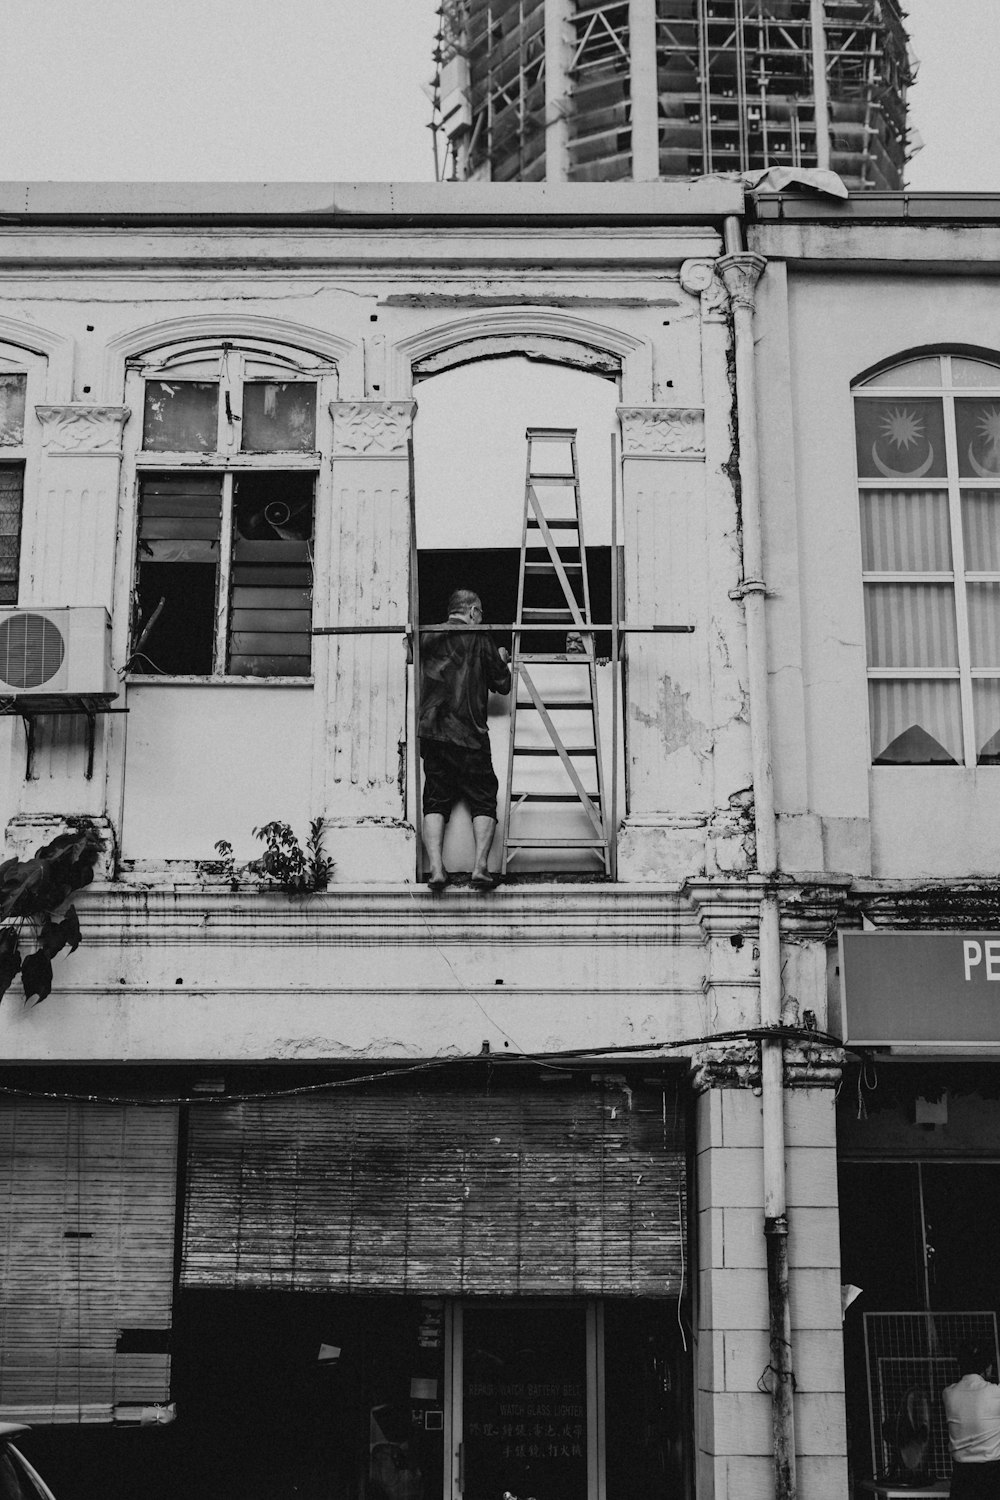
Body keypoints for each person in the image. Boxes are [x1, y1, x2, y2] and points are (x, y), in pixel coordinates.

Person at [418, 588, 511, 890]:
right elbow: (503, 684)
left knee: (434, 798)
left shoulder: (427, 636)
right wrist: (501, 658)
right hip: (469, 734)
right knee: (484, 797)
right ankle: (480, 868)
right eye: (480, 613)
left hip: (432, 734)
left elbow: (409, 654)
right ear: (472, 612)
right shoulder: (480, 636)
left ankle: (435, 869)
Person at [944, 1342, 1000, 1498]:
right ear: (987, 1367)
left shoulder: (948, 1394)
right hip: (992, 1474)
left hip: (961, 1475)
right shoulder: (995, 1393)